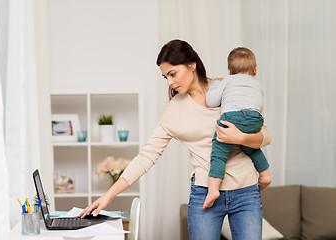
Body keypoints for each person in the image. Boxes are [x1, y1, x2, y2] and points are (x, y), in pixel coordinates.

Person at [79, 40, 271, 240]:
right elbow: (147, 156)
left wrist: (241, 137)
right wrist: (108, 196)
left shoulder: (226, 88)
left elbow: (265, 136)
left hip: (246, 191)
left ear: (192, 65)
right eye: (165, 77)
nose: (169, 82)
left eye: (173, 74)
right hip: (205, 193)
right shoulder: (174, 111)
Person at [203, 47, 272, 209]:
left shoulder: (227, 80)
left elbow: (211, 101)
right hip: (255, 120)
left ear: (229, 71)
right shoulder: (257, 85)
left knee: (219, 153)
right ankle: (265, 174)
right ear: (255, 70)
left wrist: (215, 85)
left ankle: (213, 189)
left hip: (232, 118)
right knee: (251, 148)